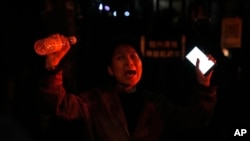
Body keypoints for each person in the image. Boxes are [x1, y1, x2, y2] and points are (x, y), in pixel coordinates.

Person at [37, 34, 217, 141]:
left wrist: (204, 86)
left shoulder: (155, 104)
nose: (129, 62)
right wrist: (52, 67)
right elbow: (57, 104)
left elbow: (194, 120)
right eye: (120, 58)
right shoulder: (93, 101)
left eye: (133, 56)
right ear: (110, 70)